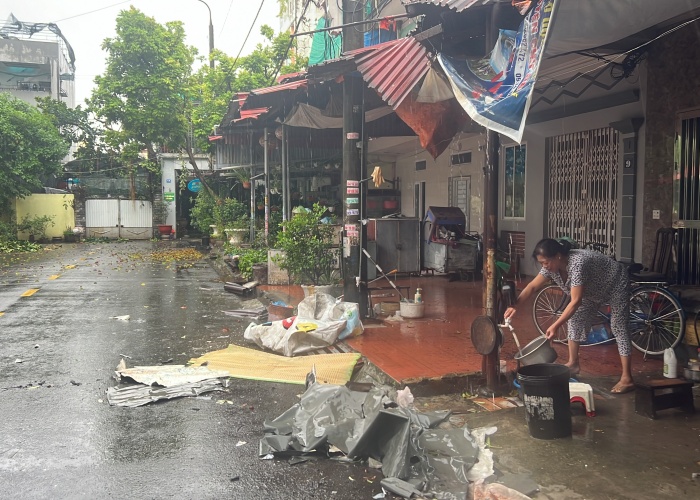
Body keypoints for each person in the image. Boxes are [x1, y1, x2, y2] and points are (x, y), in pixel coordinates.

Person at [504, 238, 634, 394]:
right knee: (575, 319)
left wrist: (555, 325)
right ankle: (573, 363)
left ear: (558, 256)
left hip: (615, 283)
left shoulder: (577, 263)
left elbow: (575, 301)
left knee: (618, 326)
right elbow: (532, 286)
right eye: (541, 264)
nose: (544, 267)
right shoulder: (551, 267)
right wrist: (515, 306)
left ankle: (627, 378)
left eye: (546, 262)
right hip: (591, 291)